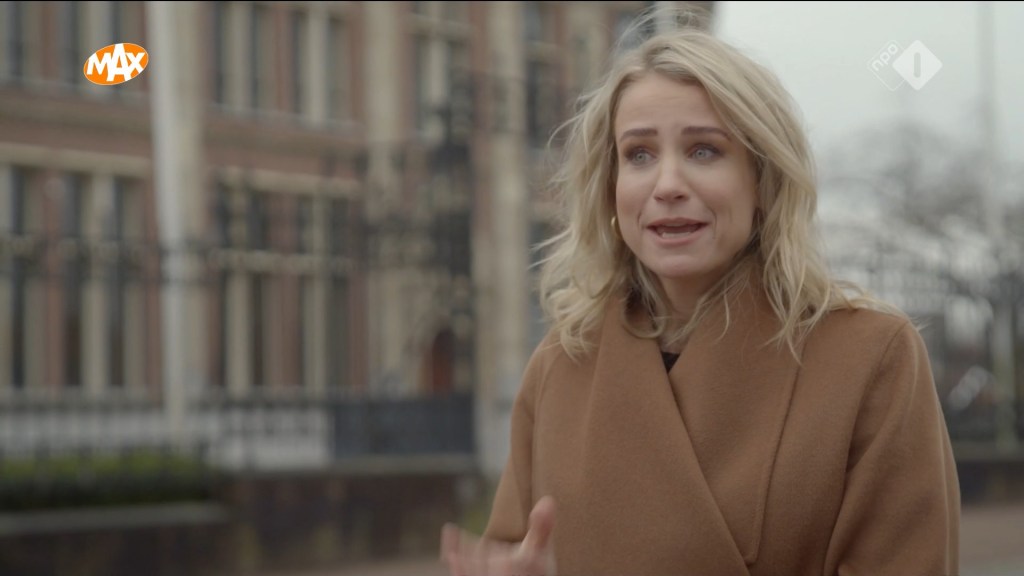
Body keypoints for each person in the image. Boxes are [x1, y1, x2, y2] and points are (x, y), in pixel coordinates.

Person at [440, 16, 960, 576]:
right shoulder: (561, 365)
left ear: (762, 180)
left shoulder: (870, 357)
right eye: (639, 155)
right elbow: (514, 549)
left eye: (704, 151)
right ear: (611, 188)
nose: (667, 185)